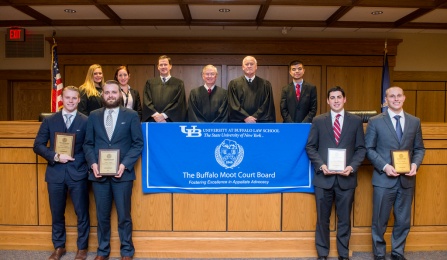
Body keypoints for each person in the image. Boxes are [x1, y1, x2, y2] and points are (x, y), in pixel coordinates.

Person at [83, 80, 143, 260]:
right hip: (98, 174)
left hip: (122, 174)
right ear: (103, 95)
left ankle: (126, 251)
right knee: (102, 216)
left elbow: (138, 143)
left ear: (120, 94)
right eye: (107, 92)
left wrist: (124, 164)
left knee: (124, 215)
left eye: (114, 92)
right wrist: (93, 164)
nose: (110, 95)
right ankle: (102, 251)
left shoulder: (131, 115)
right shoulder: (93, 116)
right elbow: (88, 144)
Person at [305, 86, 366, 260]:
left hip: (347, 179)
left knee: (344, 219)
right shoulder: (318, 120)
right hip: (324, 178)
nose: (336, 100)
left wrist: (352, 166)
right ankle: (322, 253)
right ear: (327, 101)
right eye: (332, 98)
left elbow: (361, 148)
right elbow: (310, 146)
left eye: (339, 97)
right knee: (322, 220)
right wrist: (321, 165)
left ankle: (343, 254)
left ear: (345, 99)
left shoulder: (355, 121)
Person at [365, 86, 425, 260]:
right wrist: (384, 166)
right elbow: (369, 149)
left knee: (403, 220)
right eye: (392, 96)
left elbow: (419, 148)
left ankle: (398, 252)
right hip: (384, 179)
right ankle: (379, 253)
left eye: (399, 96)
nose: (396, 99)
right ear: (386, 100)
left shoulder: (415, 121)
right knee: (379, 220)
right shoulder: (375, 121)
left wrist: (415, 164)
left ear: (404, 98)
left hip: (406, 180)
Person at [33, 86, 90, 260]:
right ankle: (59, 247)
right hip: (55, 173)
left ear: (79, 100)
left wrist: (80, 162)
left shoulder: (86, 121)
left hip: (78, 172)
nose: (71, 101)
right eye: (67, 98)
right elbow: (38, 145)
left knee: (82, 212)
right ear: (62, 99)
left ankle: (82, 248)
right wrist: (56, 156)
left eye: (74, 98)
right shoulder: (50, 121)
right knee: (57, 212)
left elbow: (90, 146)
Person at [227, 56, 276, 123]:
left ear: (256, 67)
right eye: (246, 64)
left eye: (251, 64)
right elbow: (233, 104)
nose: (249, 66)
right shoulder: (234, 84)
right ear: (243, 67)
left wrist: (255, 117)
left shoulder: (266, 84)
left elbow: (267, 104)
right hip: (240, 123)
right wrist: (245, 117)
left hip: (260, 122)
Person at [142, 55, 187, 122]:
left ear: (170, 66)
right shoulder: (150, 83)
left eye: (165, 64)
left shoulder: (179, 83)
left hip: (170, 120)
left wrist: (164, 115)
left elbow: (179, 103)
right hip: (153, 120)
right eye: (161, 65)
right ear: (158, 67)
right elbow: (146, 100)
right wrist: (156, 115)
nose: (163, 67)